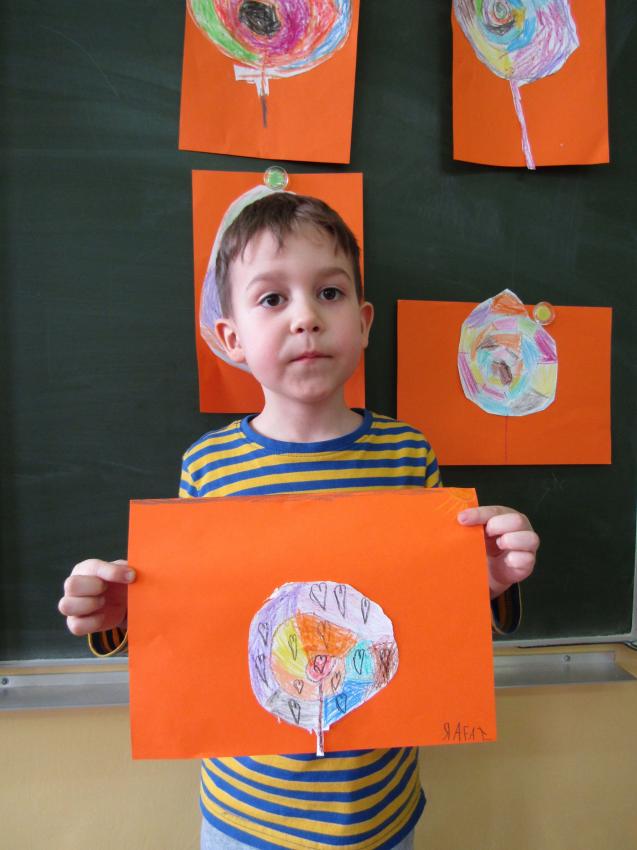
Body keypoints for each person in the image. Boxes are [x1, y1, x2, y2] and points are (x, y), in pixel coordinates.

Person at [58, 193, 539, 850]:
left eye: (330, 293)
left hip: (379, 810)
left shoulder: (407, 456)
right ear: (230, 338)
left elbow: (435, 624)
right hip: (247, 816)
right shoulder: (209, 468)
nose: (306, 317)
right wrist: (126, 615)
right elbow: (197, 628)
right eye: (271, 299)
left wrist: (486, 583)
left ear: (363, 324)